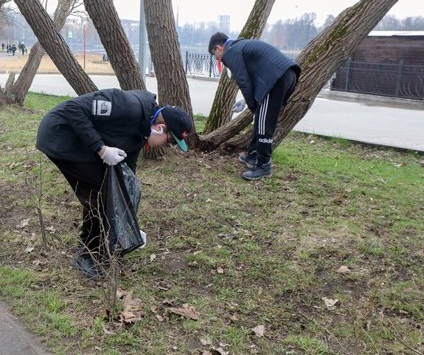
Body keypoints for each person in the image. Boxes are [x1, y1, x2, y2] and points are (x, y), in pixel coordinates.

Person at [36, 88, 193, 279]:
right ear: (160, 128)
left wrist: (131, 225)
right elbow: (72, 109)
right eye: (169, 142)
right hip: (61, 136)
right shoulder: (127, 106)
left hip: (81, 142)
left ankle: (93, 247)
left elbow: (127, 174)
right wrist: (101, 149)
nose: (166, 147)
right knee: (99, 194)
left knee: (107, 191)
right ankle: (88, 255)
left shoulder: (141, 132)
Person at [208, 32, 300, 180]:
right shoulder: (239, 46)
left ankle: (264, 166)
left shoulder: (230, 52)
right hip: (284, 75)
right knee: (261, 118)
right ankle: (252, 155)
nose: (218, 59)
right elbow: (254, 77)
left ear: (219, 47)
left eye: (215, 54)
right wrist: (247, 103)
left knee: (264, 122)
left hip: (276, 78)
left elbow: (244, 82)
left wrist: (252, 107)